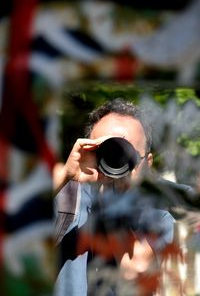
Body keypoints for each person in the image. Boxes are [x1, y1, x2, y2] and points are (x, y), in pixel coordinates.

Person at [53, 98, 176, 296]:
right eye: (108, 151)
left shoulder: (161, 219)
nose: (118, 161)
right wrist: (65, 176)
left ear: (148, 163)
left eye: (128, 154)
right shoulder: (66, 203)